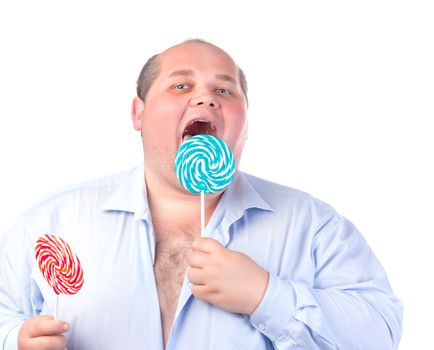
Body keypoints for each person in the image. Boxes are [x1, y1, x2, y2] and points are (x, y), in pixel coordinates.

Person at [0, 39, 402, 350]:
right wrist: (16, 340)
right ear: (138, 114)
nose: (206, 97)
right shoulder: (53, 222)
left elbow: (381, 331)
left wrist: (266, 295)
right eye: (181, 85)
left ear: (245, 122)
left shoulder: (312, 225)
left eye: (225, 91)